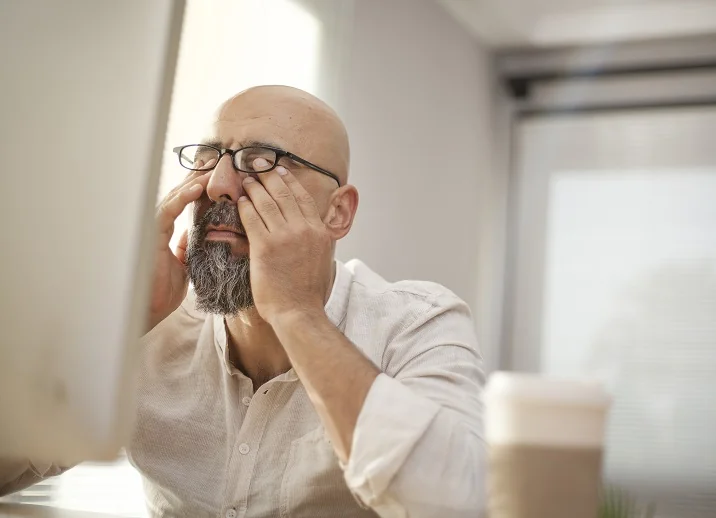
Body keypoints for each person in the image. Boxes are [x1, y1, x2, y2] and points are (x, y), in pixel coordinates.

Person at [0, 86, 485, 517]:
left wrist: (297, 313)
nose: (217, 185)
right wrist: (123, 326)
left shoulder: (418, 322)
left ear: (338, 212)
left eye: (262, 162)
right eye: (210, 158)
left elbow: (457, 505)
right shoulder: (153, 323)